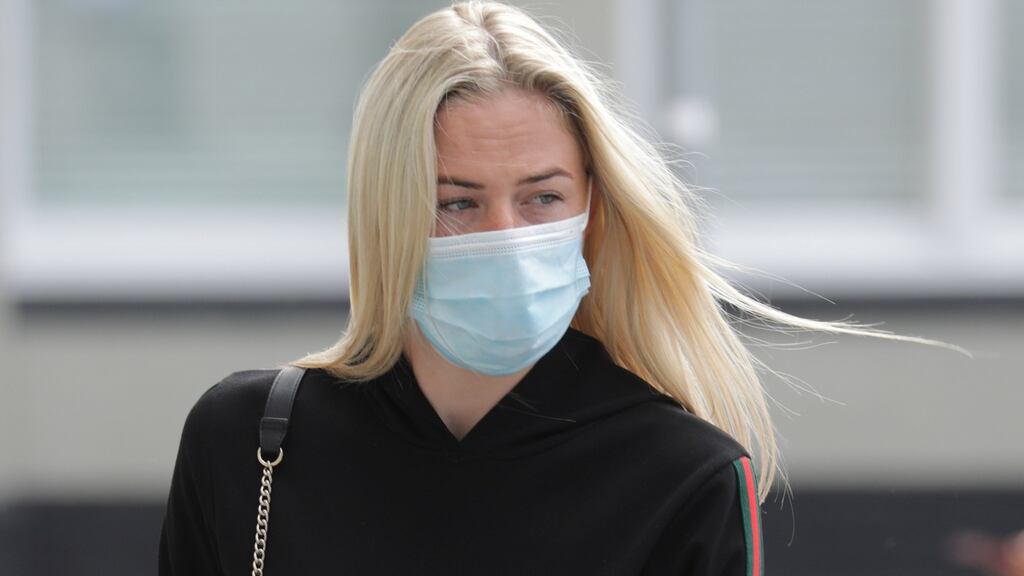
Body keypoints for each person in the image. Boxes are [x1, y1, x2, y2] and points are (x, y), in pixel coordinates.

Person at [158, 2, 965, 574]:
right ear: (385, 217)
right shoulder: (253, 443)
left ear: (593, 209)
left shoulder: (683, 478)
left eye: (542, 197)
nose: (506, 237)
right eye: (456, 202)